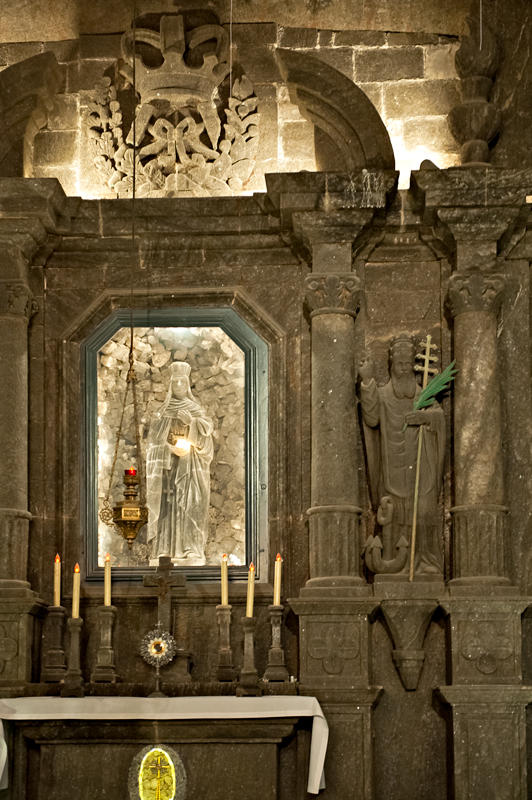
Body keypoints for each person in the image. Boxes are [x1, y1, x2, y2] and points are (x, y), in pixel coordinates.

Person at [358, 335, 445, 575]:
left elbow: (439, 420)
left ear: (414, 366)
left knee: (424, 512)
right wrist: (367, 382)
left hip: (422, 468)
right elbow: (372, 418)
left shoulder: (424, 396)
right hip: (392, 467)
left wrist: (425, 418)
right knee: (395, 514)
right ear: (391, 366)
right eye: (399, 365)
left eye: (408, 365)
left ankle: (424, 560)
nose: (404, 369)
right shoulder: (385, 395)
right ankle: (397, 562)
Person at [146, 361, 213, 565]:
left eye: (182, 382)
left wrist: (191, 424)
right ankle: (163, 549)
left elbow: (207, 442)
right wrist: (168, 448)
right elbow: (152, 444)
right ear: (170, 385)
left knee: (191, 504)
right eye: (174, 382)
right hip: (168, 470)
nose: (178, 386)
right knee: (167, 507)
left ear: (187, 384)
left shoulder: (196, 411)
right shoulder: (162, 412)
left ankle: (191, 548)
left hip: (190, 468)